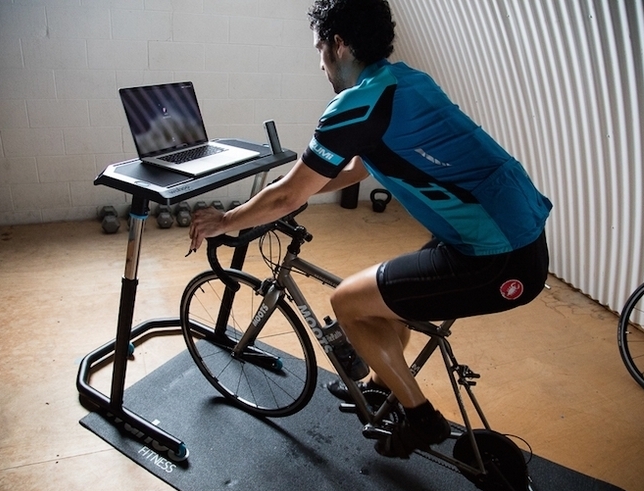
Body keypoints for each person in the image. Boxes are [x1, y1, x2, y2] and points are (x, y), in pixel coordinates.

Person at [189, 0, 551, 459]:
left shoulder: (356, 104)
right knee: (385, 297)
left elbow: (286, 195)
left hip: (497, 257)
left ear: (338, 44)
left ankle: (421, 420)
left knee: (346, 303)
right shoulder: (405, 82)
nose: (320, 64)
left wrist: (226, 220)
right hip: (509, 235)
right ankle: (383, 386)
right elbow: (360, 165)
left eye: (320, 50)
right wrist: (306, 188)